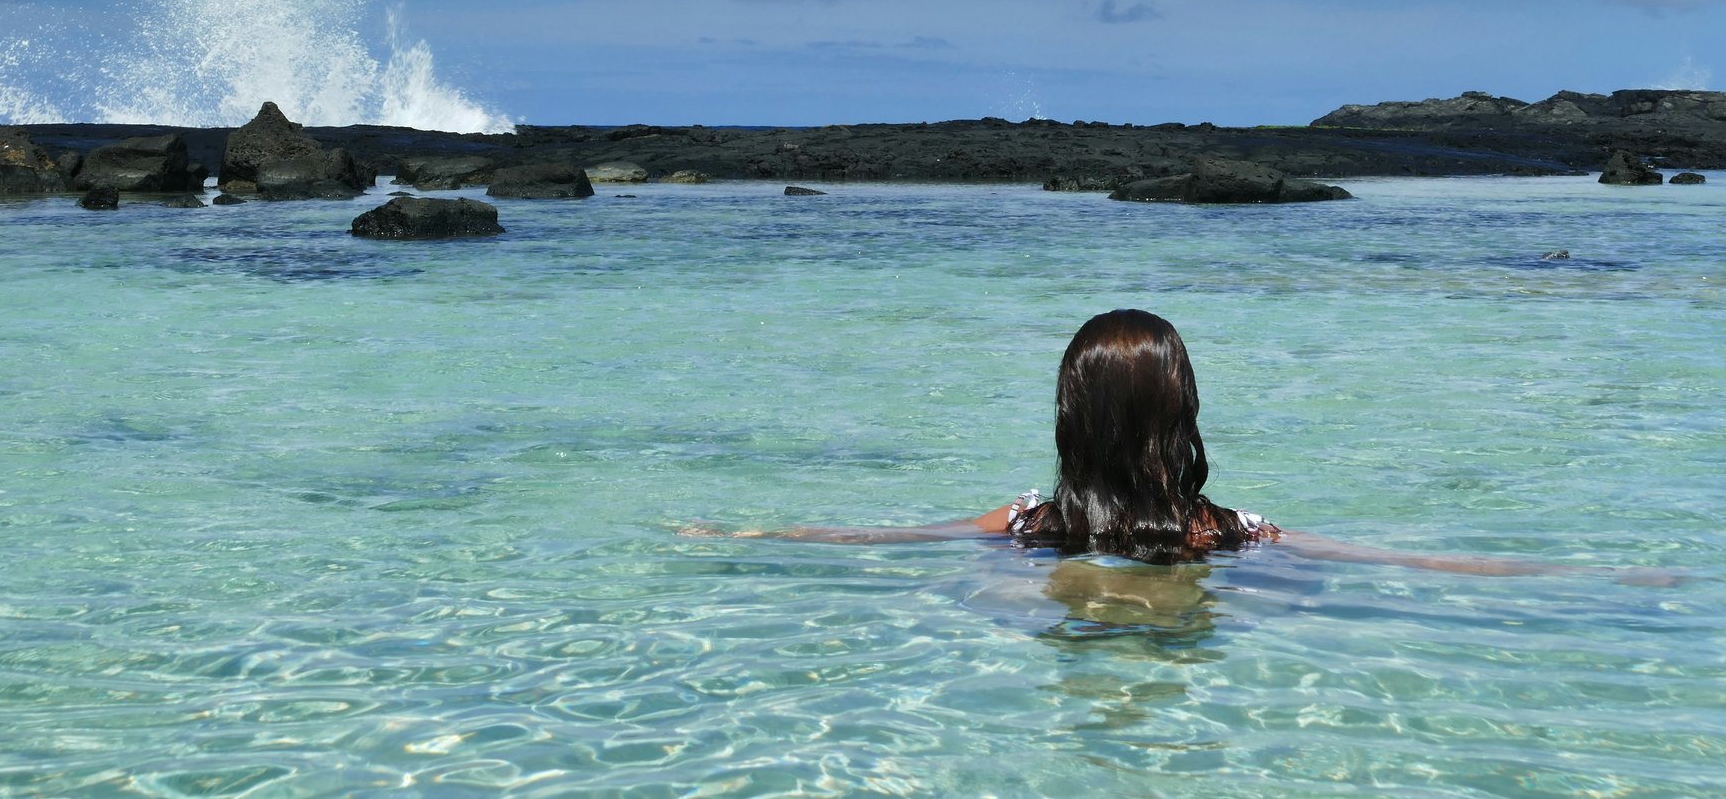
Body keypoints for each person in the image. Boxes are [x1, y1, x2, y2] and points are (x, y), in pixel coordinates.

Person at [700, 308, 1675, 582]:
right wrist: (1579, 573)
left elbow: (877, 538)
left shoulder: (1026, 526)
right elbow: (1404, 559)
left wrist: (747, 534)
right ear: (1182, 418)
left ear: (1069, 421)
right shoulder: (1233, 536)